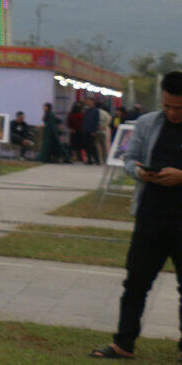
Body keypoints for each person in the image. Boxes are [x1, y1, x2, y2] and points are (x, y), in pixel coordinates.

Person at [90, 71, 182, 361]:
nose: (172, 112)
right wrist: (140, 172)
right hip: (150, 216)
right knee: (135, 283)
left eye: (179, 108)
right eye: (167, 106)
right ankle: (123, 343)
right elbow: (129, 160)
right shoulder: (147, 123)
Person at [83, 101, 103, 165]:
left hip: (92, 131)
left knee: (92, 146)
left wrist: (94, 130)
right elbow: (85, 120)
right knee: (87, 146)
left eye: (90, 103)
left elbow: (96, 121)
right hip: (86, 130)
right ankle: (89, 159)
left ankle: (97, 160)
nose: (89, 104)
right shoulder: (86, 111)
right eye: (88, 103)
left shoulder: (95, 111)